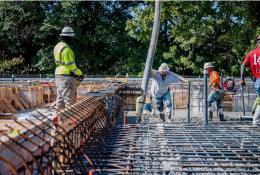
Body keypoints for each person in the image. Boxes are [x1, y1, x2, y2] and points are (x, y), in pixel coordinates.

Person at [54, 26, 84, 111]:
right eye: (72, 37)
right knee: (70, 102)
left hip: (58, 75)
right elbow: (71, 66)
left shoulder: (58, 46)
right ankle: (70, 123)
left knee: (60, 101)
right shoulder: (67, 49)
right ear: (69, 37)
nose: (72, 39)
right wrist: (80, 73)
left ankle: (58, 121)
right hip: (67, 77)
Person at [240, 35, 260, 125]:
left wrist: (242, 79)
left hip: (257, 81)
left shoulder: (251, 53)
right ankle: (255, 121)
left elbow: (243, 65)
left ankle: (255, 118)